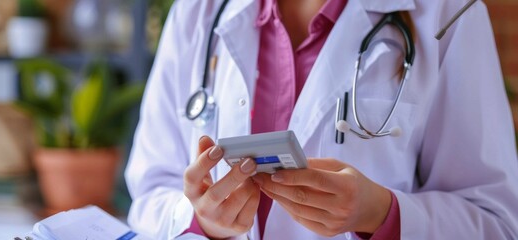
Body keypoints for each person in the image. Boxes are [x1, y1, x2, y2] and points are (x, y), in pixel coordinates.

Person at [125, 0, 518, 239]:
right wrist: (199, 220)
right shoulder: (197, 15)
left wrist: (382, 214)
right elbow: (148, 197)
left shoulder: (451, 17)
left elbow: (497, 223)